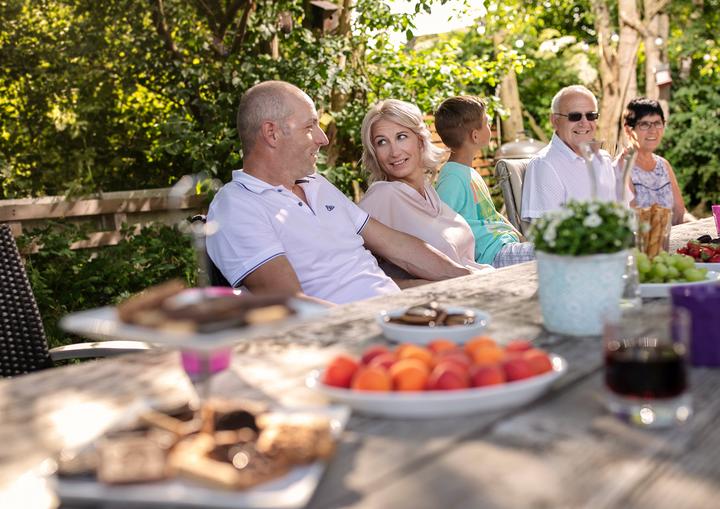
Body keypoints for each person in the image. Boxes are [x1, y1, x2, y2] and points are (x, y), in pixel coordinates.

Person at [206, 81, 472, 305]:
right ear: (272, 133)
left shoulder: (316, 185)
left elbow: (398, 246)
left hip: (392, 310)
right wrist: (383, 320)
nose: (323, 138)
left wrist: (466, 278)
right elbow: (290, 304)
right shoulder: (237, 204)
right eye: (310, 127)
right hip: (353, 334)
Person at [357, 99, 493, 283]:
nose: (394, 152)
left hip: (481, 279)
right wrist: (415, 286)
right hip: (443, 300)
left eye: (401, 137)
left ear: (420, 141)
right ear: (374, 152)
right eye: (382, 142)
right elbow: (351, 270)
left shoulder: (430, 194)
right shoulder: (382, 196)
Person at [434, 95, 535, 267]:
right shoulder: (452, 179)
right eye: (487, 122)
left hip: (506, 246)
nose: (490, 126)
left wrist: (521, 237)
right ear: (475, 135)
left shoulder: (469, 172)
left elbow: (493, 215)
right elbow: (440, 228)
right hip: (493, 255)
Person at [521, 85, 617, 221]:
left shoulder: (603, 159)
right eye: (575, 116)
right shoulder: (544, 165)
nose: (584, 123)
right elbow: (548, 234)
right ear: (554, 121)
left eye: (591, 116)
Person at [617, 97, 690, 225]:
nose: (653, 131)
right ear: (628, 129)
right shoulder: (622, 167)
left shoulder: (663, 165)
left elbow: (680, 214)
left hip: (673, 242)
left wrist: (704, 227)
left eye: (657, 123)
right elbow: (632, 224)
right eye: (644, 124)